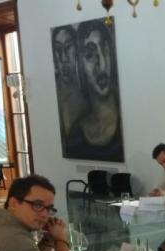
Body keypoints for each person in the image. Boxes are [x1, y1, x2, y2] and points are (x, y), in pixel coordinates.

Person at [65, 19, 124, 162]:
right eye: (90, 55)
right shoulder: (75, 137)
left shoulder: (129, 121)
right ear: (80, 67)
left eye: (105, 50)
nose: (102, 64)